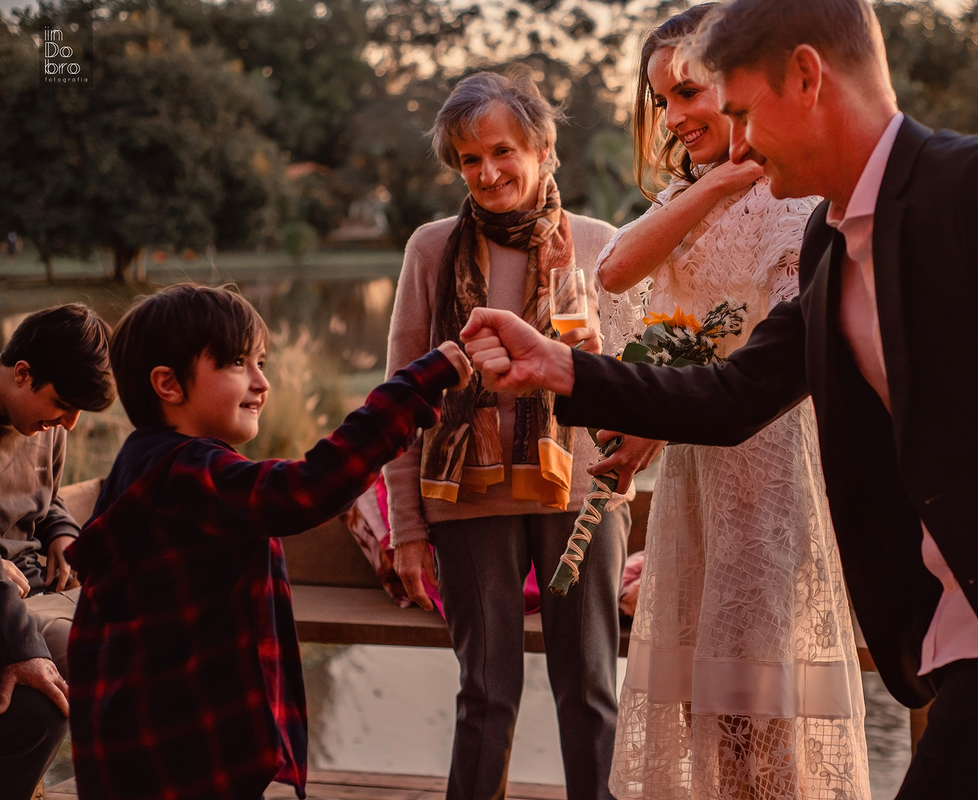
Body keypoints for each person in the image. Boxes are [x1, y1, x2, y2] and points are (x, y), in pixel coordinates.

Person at [459, 1, 978, 798]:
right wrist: (561, 370)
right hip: (965, 619)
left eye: (739, 111)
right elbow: (735, 396)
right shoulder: (829, 242)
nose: (731, 141)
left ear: (807, 77)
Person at [593, 7, 868, 800]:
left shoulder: (794, 205)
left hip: (770, 479)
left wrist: (755, 172)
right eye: (663, 103)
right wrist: (723, 177)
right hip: (696, 487)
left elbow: (777, 364)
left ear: (735, 84)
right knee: (698, 710)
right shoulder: (694, 196)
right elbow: (613, 272)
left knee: (757, 715)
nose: (676, 118)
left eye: (689, 92)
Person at [65, 283, 471, 800]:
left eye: (262, 362)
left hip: (140, 737)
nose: (262, 383)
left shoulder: (143, 461)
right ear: (168, 384)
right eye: (238, 363)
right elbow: (304, 489)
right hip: (183, 748)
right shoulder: (190, 473)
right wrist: (415, 386)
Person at [382, 68, 631, 800]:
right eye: (468, 159)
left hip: (580, 498)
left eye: (501, 151)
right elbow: (401, 396)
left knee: (589, 690)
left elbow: (636, 387)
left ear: (543, 148)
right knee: (486, 693)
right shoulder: (431, 250)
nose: (487, 172)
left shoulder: (601, 244)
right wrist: (405, 525)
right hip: (465, 500)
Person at [0, 303, 116, 680]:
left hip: (40, 586)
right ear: (22, 374)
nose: (68, 423)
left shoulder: (48, 428)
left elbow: (49, 496)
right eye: (63, 406)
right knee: (103, 658)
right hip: (10, 602)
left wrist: (61, 532)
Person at [0, 569, 70, 800]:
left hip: (33, 583)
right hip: (10, 597)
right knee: (40, 708)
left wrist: (62, 532)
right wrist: (21, 647)